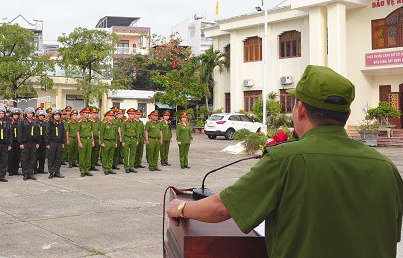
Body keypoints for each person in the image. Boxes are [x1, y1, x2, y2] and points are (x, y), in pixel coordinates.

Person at [167, 65, 403, 258]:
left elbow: (221, 209)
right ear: (347, 115)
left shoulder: (285, 160)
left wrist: (181, 207)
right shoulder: (386, 168)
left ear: (300, 110)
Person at [19, 107, 39, 181]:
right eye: (28, 113)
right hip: (25, 143)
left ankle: (31, 173)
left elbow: (37, 133)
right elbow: (20, 133)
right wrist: (20, 143)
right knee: (25, 159)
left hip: (33, 143)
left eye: (31, 113)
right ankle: (25, 174)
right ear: (26, 114)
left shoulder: (35, 122)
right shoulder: (22, 122)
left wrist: (37, 142)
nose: (30, 115)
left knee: (32, 159)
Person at [45, 109, 65, 179]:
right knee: (51, 158)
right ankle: (51, 172)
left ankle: (57, 172)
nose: (57, 117)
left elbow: (63, 134)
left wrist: (63, 142)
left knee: (58, 158)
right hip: (52, 143)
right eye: (55, 115)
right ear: (53, 116)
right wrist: (47, 143)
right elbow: (47, 133)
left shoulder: (61, 124)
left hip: (59, 143)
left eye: (58, 115)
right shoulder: (50, 123)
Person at [99, 110, 120, 175]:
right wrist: (102, 142)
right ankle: (105, 168)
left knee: (111, 156)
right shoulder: (104, 124)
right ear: (107, 117)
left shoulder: (114, 124)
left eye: (113, 116)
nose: (112, 117)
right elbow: (101, 134)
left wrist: (116, 142)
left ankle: (110, 168)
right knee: (105, 156)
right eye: (110, 116)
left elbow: (116, 134)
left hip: (112, 142)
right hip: (106, 141)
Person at [77, 108, 94, 177]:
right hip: (83, 140)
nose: (87, 114)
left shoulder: (90, 122)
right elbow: (78, 133)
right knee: (82, 156)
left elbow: (91, 132)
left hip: (89, 139)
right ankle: (82, 170)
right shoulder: (80, 122)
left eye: (88, 113)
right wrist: (79, 142)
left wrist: (92, 141)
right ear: (82, 114)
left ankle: (87, 169)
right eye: (86, 113)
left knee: (88, 156)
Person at [121, 108, 139, 173]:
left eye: (133, 114)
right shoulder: (124, 122)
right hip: (127, 138)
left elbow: (137, 131)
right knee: (126, 153)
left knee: (133, 153)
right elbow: (122, 132)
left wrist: (137, 140)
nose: (132, 115)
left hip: (133, 138)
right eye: (130, 114)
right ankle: (126, 167)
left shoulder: (136, 122)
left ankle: (131, 166)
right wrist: (123, 141)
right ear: (128, 114)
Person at [8, 108, 22, 176]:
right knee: (11, 156)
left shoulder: (20, 122)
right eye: (15, 115)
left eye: (17, 115)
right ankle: (10, 170)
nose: (16, 116)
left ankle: (15, 170)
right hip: (11, 141)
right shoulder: (9, 122)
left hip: (18, 141)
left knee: (17, 156)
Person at [35, 109, 48, 174]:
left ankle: (41, 169)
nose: (41, 117)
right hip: (37, 141)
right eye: (40, 115)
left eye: (42, 115)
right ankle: (35, 169)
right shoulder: (35, 123)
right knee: (35, 156)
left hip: (43, 141)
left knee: (42, 156)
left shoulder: (45, 123)